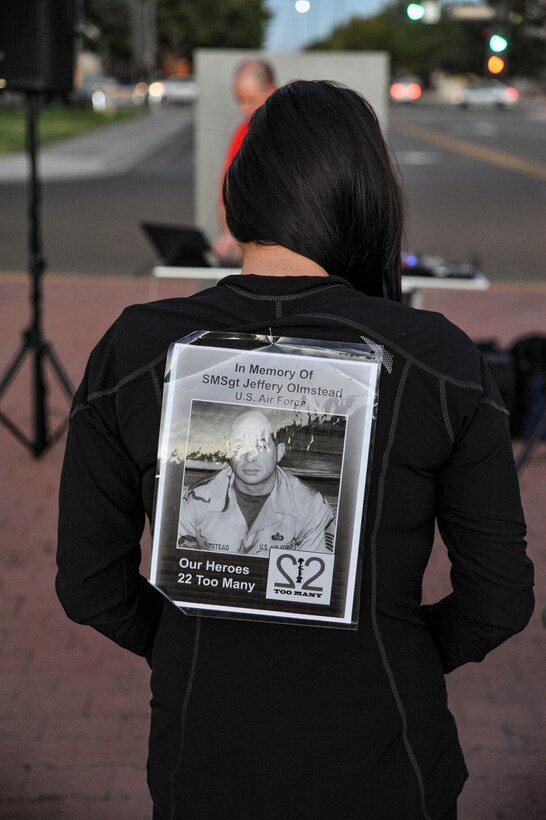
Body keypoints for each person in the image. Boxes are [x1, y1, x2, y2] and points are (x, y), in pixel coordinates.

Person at [56, 81, 534, 820]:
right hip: (388, 762)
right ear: (366, 201)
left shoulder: (138, 348)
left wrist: (182, 642)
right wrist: (400, 649)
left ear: (233, 198)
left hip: (204, 762)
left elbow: (88, 583)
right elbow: (499, 601)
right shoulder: (439, 361)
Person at [177, 409, 334, 556]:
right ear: (228, 450)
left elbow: (313, 575)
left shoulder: (310, 506)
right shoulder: (197, 499)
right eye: (240, 446)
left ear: (279, 452)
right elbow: (178, 565)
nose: (250, 457)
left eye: (261, 446)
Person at [213, 59, 277, 265]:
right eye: (239, 100)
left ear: (272, 90)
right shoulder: (242, 133)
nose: (244, 108)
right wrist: (229, 234)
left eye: (250, 100)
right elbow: (226, 193)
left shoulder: (292, 132)